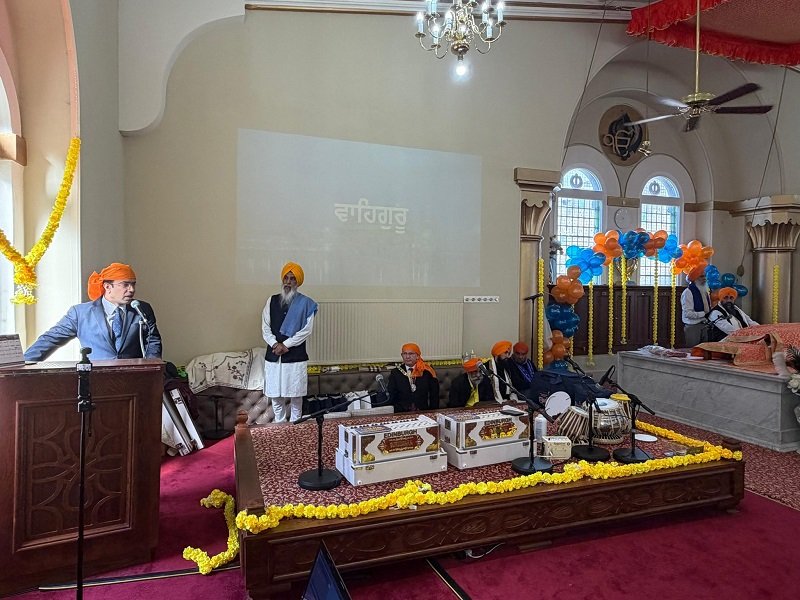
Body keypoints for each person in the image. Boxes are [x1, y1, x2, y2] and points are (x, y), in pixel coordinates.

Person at [24, 262, 161, 362]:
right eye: (125, 284)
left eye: (133, 284)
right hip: (96, 381)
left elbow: (153, 341)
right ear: (107, 287)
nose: (131, 289)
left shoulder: (141, 309)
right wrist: (23, 363)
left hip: (134, 381)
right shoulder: (80, 313)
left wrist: (153, 368)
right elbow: (51, 339)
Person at [262, 262, 318, 423]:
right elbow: (265, 327)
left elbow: (306, 330)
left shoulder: (306, 303)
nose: (288, 282)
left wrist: (286, 345)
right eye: (286, 278)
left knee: (296, 397)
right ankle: (280, 427)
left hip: (295, 356)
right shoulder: (271, 301)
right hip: (273, 356)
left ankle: (295, 427)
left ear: (297, 282)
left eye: (292, 279)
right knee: (276, 396)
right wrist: (274, 343)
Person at [387, 343, 440, 412]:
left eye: (411, 354)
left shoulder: (427, 371)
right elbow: (391, 395)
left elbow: (434, 395)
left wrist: (433, 413)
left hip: (423, 412)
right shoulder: (395, 372)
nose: (407, 357)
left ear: (417, 356)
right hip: (401, 412)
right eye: (404, 354)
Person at [680, 266, 711, 347]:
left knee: (704, 352)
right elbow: (688, 313)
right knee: (693, 352)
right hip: (693, 326)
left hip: (704, 324)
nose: (704, 278)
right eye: (701, 276)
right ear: (694, 279)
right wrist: (704, 314)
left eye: (705, 276)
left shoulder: (704, 290)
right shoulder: (688, 292)